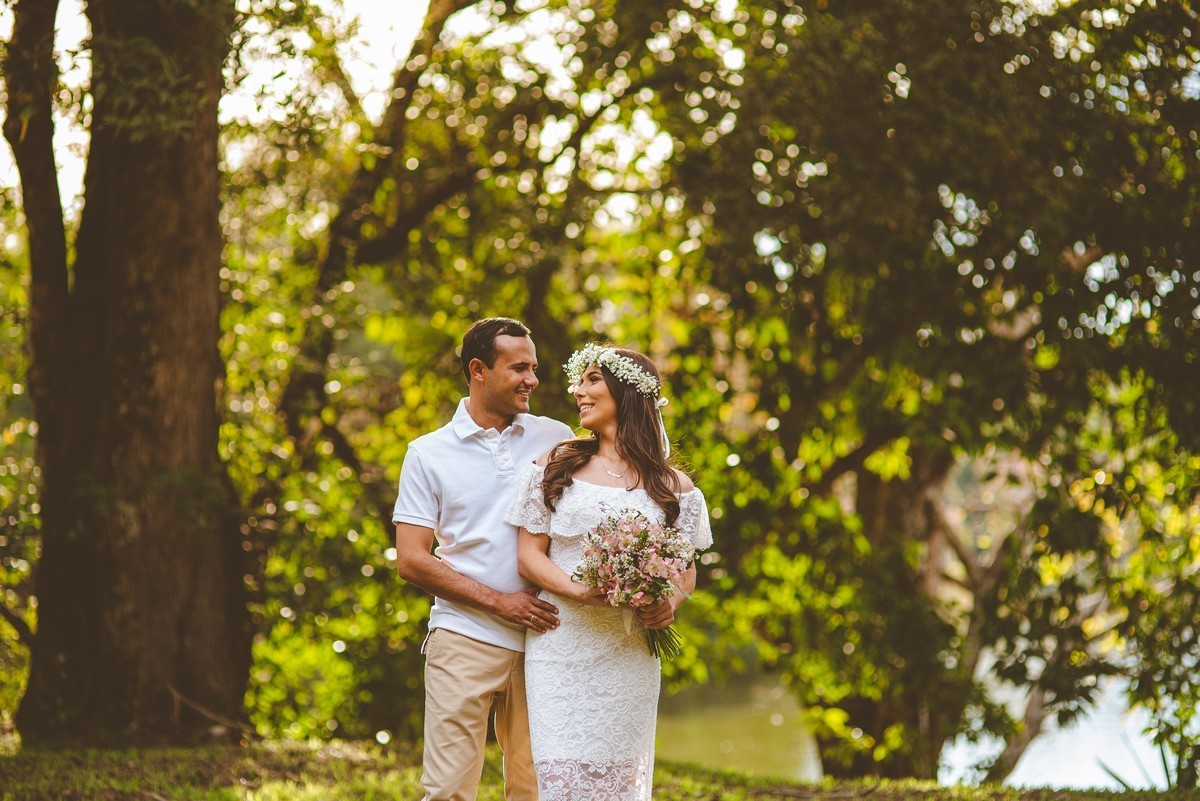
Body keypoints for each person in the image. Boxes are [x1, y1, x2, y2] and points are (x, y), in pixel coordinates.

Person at [505, 344, 713, 800]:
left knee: (618, 784)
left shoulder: (672, 485)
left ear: (628, 391)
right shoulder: (558, 465)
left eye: (592, 380)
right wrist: (578, 592)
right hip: (561, 646)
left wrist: (667, 604)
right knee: (560, 782)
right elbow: (529, 556)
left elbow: (685, 569)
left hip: (630, 652)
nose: (578, 390)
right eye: (580, 381)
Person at [393, 317, 574, 801]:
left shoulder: (556, 436)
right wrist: (500, 602)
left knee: (537, 788)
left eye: (533, 368)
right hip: (464, 637)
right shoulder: (427, 454)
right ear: (478, 369)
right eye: (519, 368)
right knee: (450, 790)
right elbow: (411, 559)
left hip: (546, 642)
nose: (532, 379)